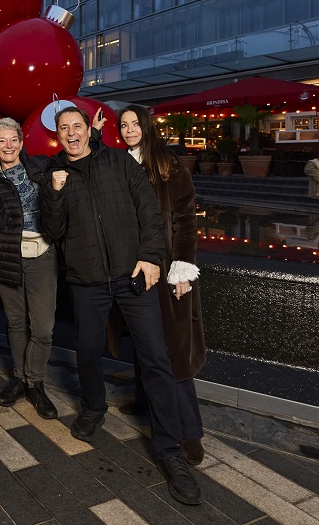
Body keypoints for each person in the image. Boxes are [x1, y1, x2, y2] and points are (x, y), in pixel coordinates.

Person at [39, 106, 201, 506]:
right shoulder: (54, 173)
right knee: (88, 351)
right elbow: (52, 229)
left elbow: (149, 210)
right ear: (58, 135)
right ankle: (94, 407)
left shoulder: (116, 160)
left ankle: (169, 448)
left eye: (78, 126)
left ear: (89, 131)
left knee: (156, 358)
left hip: (133, 276)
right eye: (65, 129)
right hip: (88, 281)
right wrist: (55, 194)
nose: (72, 133)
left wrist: (150, 256)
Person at [116, 105, 207, 465]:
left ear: (147, 126)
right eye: (123, 125)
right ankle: (145, 400)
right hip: (133, 269)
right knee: (144, 340)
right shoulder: (120, 163)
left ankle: (189, 432)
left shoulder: (169, 166)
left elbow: (185, 221)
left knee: (174, 350)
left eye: (134, 124)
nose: (128, 130)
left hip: (169, 268)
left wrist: (182, 269)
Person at [0, 117, 58, 419]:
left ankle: (36, 382)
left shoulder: (40, 168)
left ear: (21, 142)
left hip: (43, 255)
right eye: (2, 141)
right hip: (9, 255)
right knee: (16, 323)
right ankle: (20, 380)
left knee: (43, 328)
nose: (8, 145)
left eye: (13, 139)